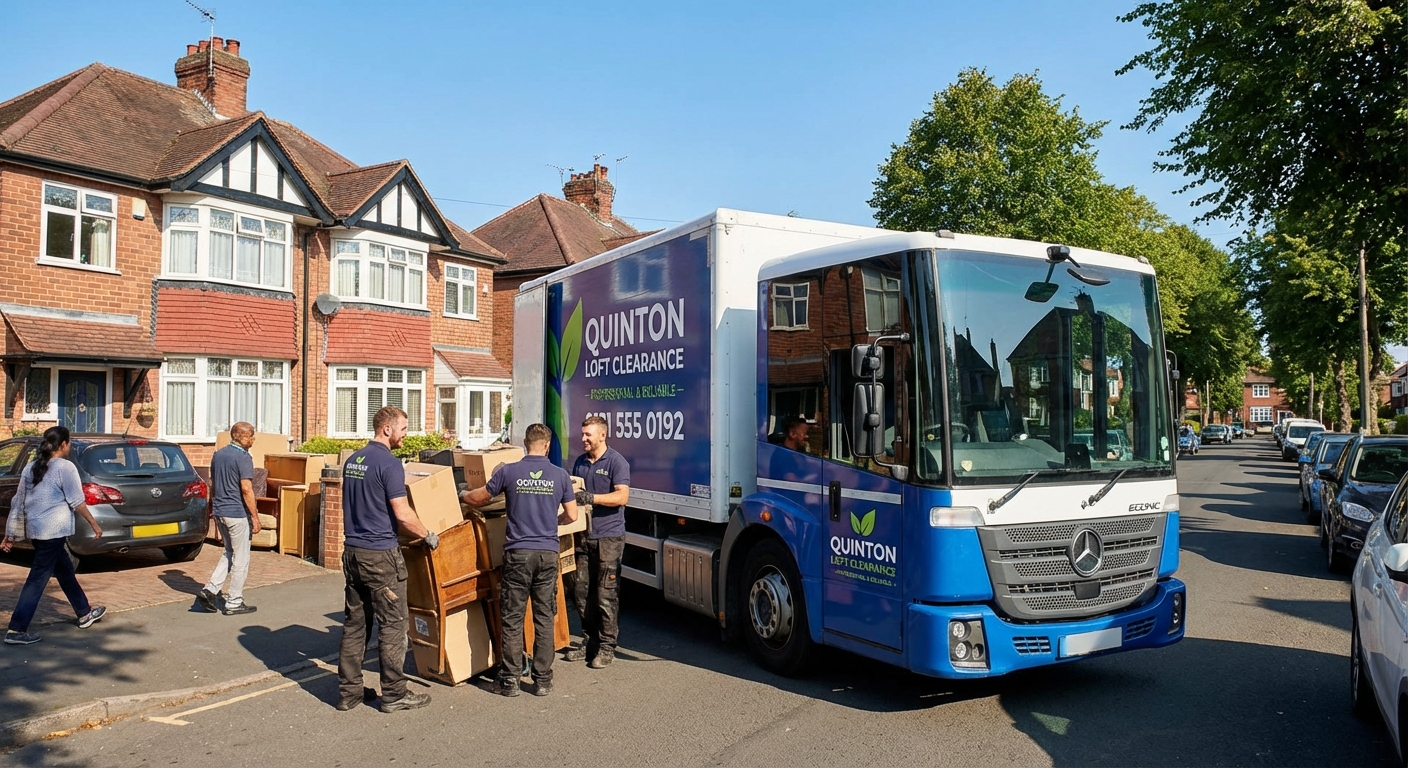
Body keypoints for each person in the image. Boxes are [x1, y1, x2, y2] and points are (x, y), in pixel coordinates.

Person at [462, 423, 577, 697]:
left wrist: (464, 495)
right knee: (544, 617)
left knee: (512, 618)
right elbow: (572, 515)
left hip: (518, 553)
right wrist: (552, 522)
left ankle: (511, 680)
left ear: (525, 443)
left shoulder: (509, 472)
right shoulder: (560, 476)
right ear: (547, 445)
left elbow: (480, 498)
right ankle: (542, 680)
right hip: (547, 554)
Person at [336, 406, 437, 713]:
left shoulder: (353, 460)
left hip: (352, 552)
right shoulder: (389, 464)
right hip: (380, 556)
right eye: (404, 429)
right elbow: (402, 512)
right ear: (387, 429)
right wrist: (428, 534)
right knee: (392, 625)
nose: (407, 434)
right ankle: (394, 693)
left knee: (355, 625)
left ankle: (348, 692)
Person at [1, 426, 106, 644]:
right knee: (37, 579)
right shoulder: (65, 468)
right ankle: (17, 629)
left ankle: (84, 613)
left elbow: (18, 502)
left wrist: (10, 534)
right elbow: (77, 501)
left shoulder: (31, 467)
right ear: (64, 444)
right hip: (53, 531)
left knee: (65, 571)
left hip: (37, 531)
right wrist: (95, 525)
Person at [565, 415, 630, 668]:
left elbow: (622, 497)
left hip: (609, 537)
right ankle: (589, 641)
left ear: (602, 435)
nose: (583, 439)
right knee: (580, 592)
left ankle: (606, 647)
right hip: (583, 536)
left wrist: (591, 498)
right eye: (582, 434)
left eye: (587, 435)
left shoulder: (616, 462)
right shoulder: (580, 462)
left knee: (605, 595)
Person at [197, 422, 261, 616]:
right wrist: (255, 517)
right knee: (241, 559)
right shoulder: (243, 457)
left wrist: (212, 506)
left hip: (220, 511)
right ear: (240, 436)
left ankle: (210, 589)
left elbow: (212, 483)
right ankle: (234, 601)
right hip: (236, 513)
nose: (253, 439)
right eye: (250, 436)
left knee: (229, 552)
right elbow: (246, 489)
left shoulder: (219, 454)